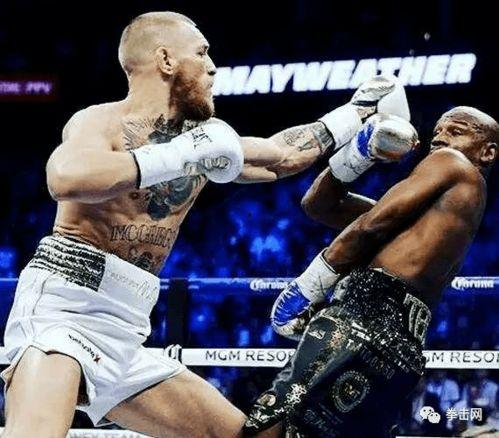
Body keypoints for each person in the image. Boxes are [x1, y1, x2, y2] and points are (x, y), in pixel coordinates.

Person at [0, 10, 411, 438]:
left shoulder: (207, 137)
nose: (212, 67)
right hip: (65, 311)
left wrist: (358, 111)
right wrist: (180, 154)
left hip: (127, 327)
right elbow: (66, 178)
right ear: (165, 60)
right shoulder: (101, 121)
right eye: (201, 53)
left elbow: (282, 157)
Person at [244, 106, 499, 437]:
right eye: (437, 130)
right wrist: (357, 155)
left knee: (271, 427)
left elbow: (371, 225)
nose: (439, 138)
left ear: (487, 152)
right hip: (402, 353)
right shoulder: (427, 225)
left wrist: (309, 286)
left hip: (361, 321)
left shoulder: (453, 163)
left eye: (456, 131)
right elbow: (318, 205)